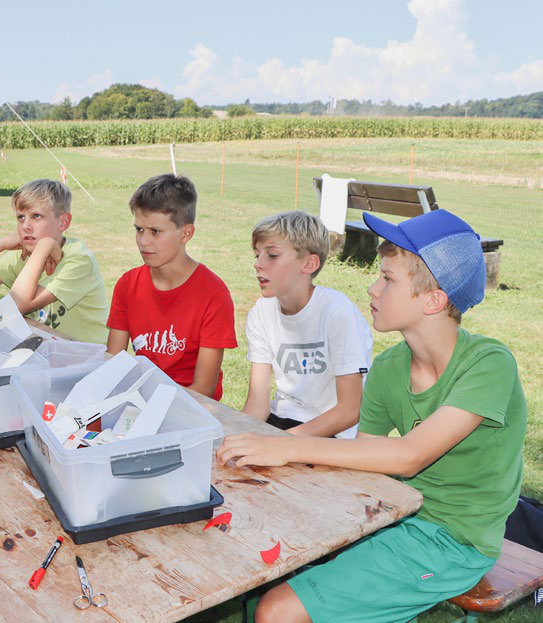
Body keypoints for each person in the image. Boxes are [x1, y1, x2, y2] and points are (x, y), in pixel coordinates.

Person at [217, 210, 526, 623]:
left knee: (278, 610)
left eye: (388, 279)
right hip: (393, 515)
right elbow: (364, 460)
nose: (372, 288)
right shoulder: (389, 366)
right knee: (264, 575)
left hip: (455, 541)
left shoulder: (489, 364)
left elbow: (407, 456)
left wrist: (288, 447)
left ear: (434, 300)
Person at [106, 174, 237, 400]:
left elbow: (204, 389)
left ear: (186, 233)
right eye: (139, 230)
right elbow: (112, 361)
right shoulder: (127, 285)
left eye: (155, 232)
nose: (143, 241)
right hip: (138, 400)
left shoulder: (213, 294)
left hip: (192, 408)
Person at [243, 211, 372, 438]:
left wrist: (285, 444)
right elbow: (257, 405)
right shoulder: (261, 312)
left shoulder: (338, 313)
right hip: (282, 422)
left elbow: (351, 410)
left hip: (333, 433)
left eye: (271, 255)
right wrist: (235, 437)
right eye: (257, 255)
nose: (258, 264)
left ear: (310, 263)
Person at [0, 179, 109, 343]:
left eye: (36, 216)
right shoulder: (22, 254)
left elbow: (15, 306)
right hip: (44, 346)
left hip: (87, 356)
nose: (26, 226)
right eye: (21, 217)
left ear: (63, 222)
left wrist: (45, 246)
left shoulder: (79, 259)